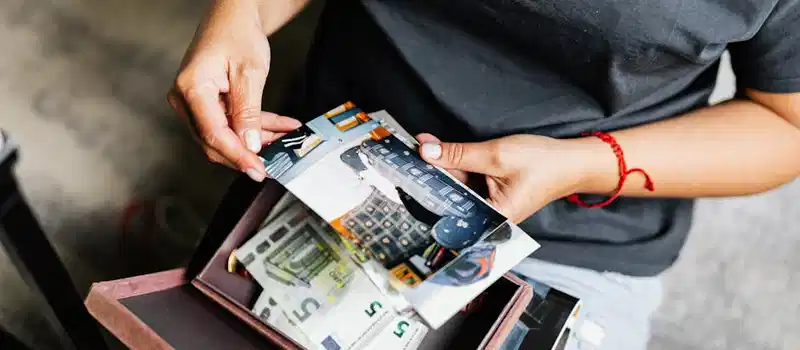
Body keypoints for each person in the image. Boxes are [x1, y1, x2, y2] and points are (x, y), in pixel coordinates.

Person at [167, 0, 800, 349]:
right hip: (337, 171)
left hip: (574, 235)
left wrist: (581, 164)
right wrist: (239, 14)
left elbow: (786, 124)